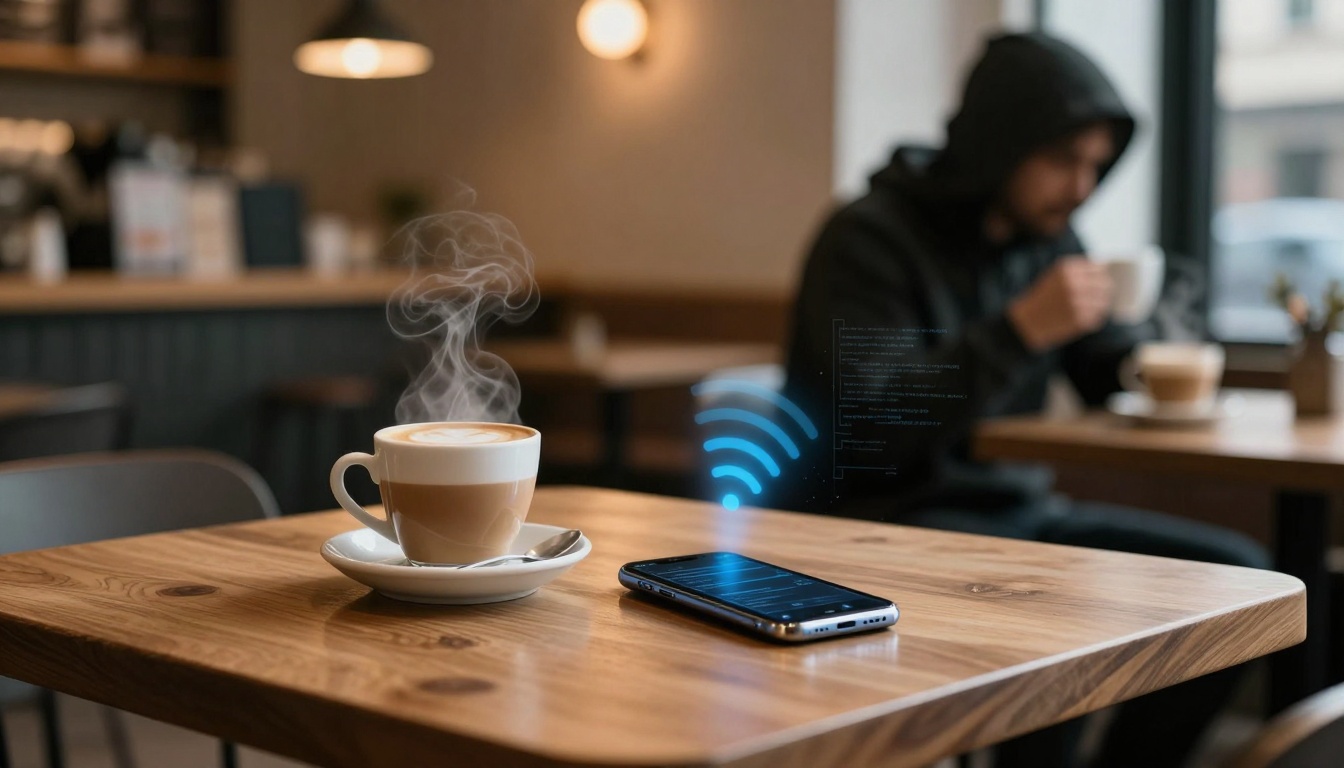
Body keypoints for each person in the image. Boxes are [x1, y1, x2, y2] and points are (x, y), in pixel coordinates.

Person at [781, 32, 1268, 768]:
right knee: (1061, 621)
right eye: (1062, 161)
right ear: (998, 145)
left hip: (1018, 518)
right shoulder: (867, 239)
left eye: (1095, 166)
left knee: (1239, 591)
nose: (1081, 188)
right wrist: (1016, 331)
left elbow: (1103, 370)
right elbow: (867, 429)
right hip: (887, 526)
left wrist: (1152, 342)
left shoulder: (1048, 238)